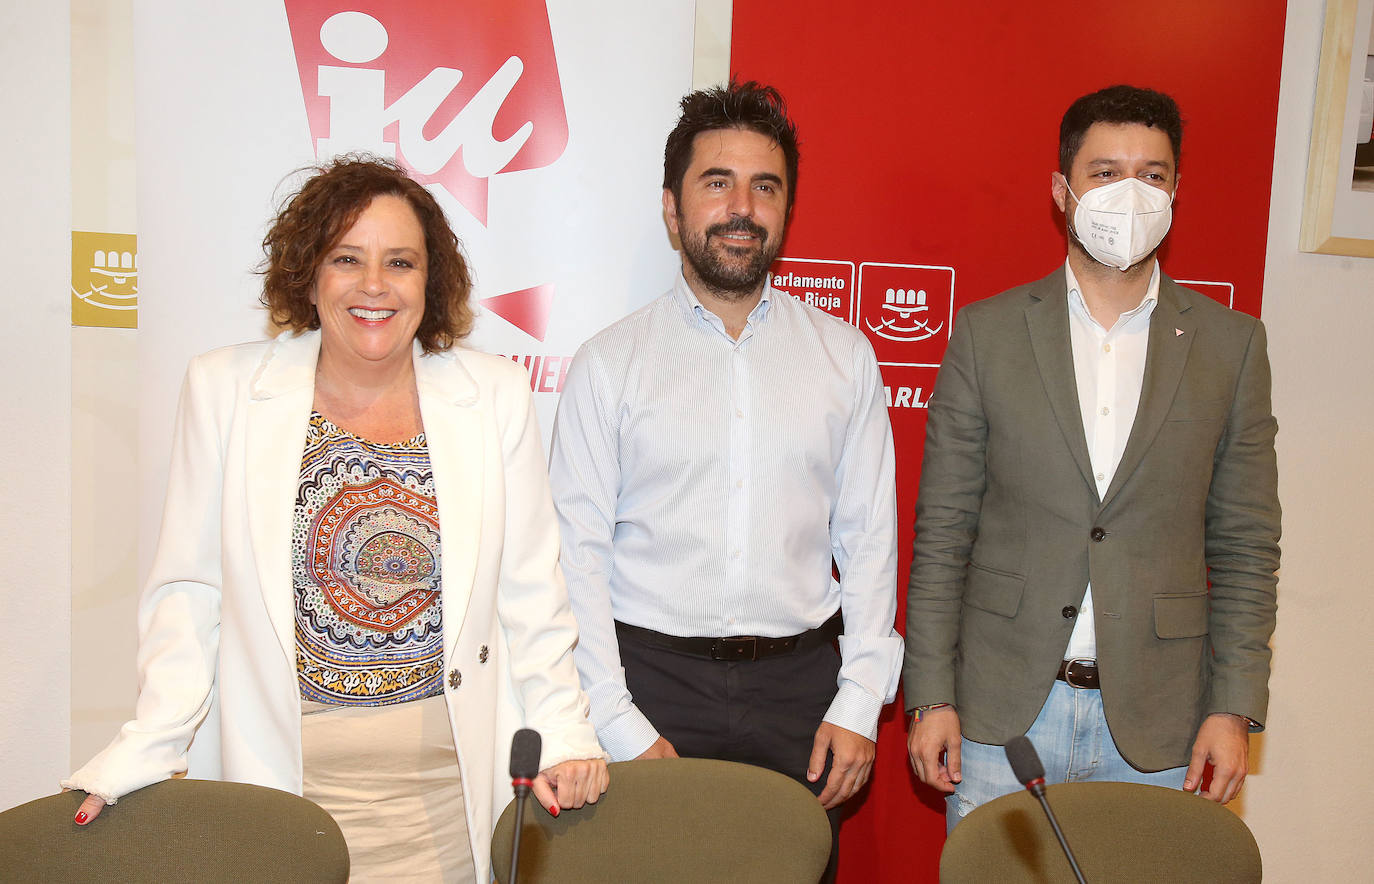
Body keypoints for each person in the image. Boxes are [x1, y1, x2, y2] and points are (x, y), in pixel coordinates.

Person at [63, 156, 608, 881]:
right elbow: (189, 596)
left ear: (429, 280)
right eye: (346, 258)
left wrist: (567, 731)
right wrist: (149, 743)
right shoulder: (222, 389)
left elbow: (532, 595)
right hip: (282, 798)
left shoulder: (497, 395)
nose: (374, 285)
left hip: (445, 806)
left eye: (401, 262)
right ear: (308, 274)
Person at [548, 80, 901, 879]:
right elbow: (577, 560)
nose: (742, 206)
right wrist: (617, 720)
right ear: (672, 210)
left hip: (800, 696)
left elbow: (870, 541)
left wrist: (858, 703)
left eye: (764, 186)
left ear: (785, 209)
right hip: (651, 685)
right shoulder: (610, 365)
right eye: (717, 183)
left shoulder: (843, 358)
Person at [904, 85, 1281, 830]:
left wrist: (1233, 707)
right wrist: (932, 695)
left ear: (1178, 191)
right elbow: (944, 534)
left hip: (1164, 727)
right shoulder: (988, 335)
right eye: (1105, 172)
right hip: (1000, 717)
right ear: (1061, 190)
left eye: (1153, 174)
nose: (1130, 193)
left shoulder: (1231, 347)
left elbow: (1245, 547)